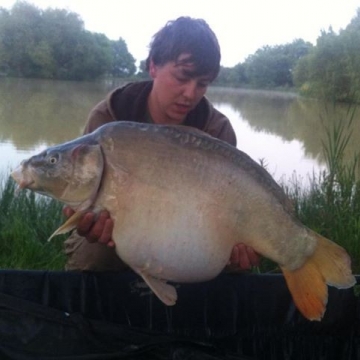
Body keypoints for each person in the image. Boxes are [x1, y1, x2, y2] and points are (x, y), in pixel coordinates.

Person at [64, 16, 260, 272]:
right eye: (182, 77)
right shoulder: (109, 118)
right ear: (153, 66)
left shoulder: (216, 130)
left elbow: (228, 207)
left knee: (232, 264)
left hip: (189, 228)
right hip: (121, 224)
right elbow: (79, 199)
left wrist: (238, 242)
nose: (190, 94)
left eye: (202, 84)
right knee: (93, 256)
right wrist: (86, 222)